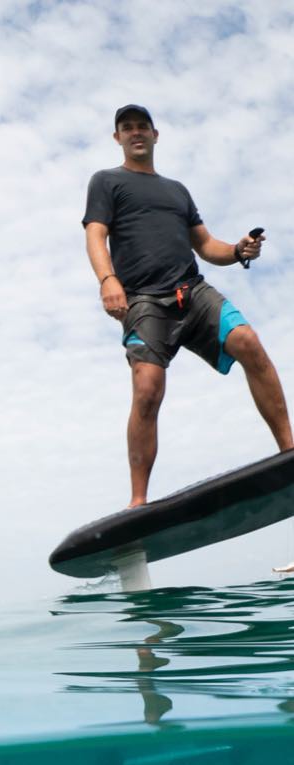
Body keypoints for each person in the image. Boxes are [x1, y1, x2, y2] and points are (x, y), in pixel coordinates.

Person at [83, 104, 292, 507]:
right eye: (127, 128)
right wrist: (108, 280)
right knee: (147, 389)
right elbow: (95, 235)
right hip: (143, 300)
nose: (136, 133)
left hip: (192, 291)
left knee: (248, 341)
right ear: (118, 139)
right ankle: (138, 502)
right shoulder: (106, 182)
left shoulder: (177, 191)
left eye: (142, 127)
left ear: (156, 135)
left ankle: (289, 454)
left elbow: (207, 245)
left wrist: (238, 249)